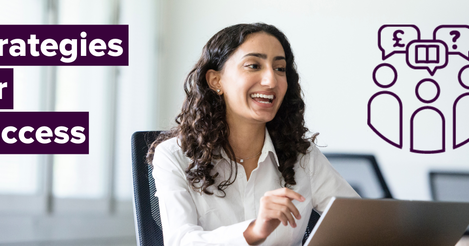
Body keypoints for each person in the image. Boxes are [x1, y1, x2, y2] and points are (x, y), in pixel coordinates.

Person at [147, 23, 359, 245]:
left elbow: (360, 223)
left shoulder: (301, 156)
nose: (271, 80)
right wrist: (254, 230)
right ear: (216, 81)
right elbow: (180, 240)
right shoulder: (174, 155)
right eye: (253, 65)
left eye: (280, 69)